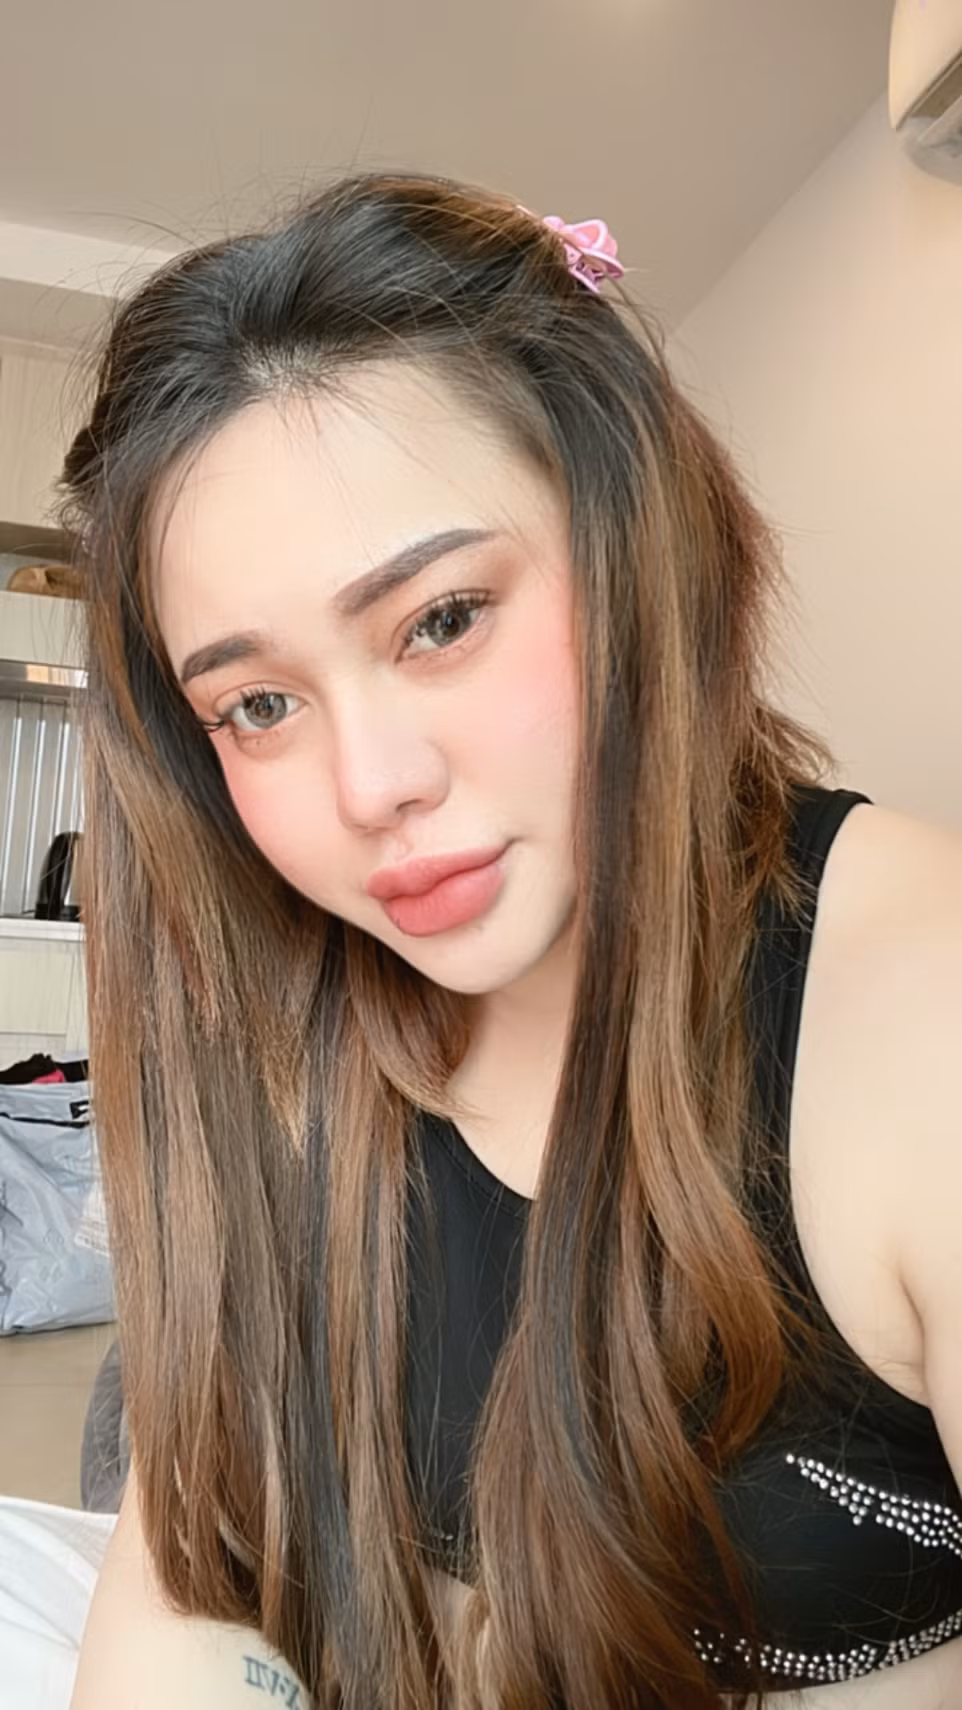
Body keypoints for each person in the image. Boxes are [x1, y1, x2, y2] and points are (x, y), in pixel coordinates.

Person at [26, 169, 958, 1709]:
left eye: (442, 619)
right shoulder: (272, 1024)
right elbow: (194, 1588)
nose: (370, 785)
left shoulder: (912, 1002)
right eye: (259, 703)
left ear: (631, 544)